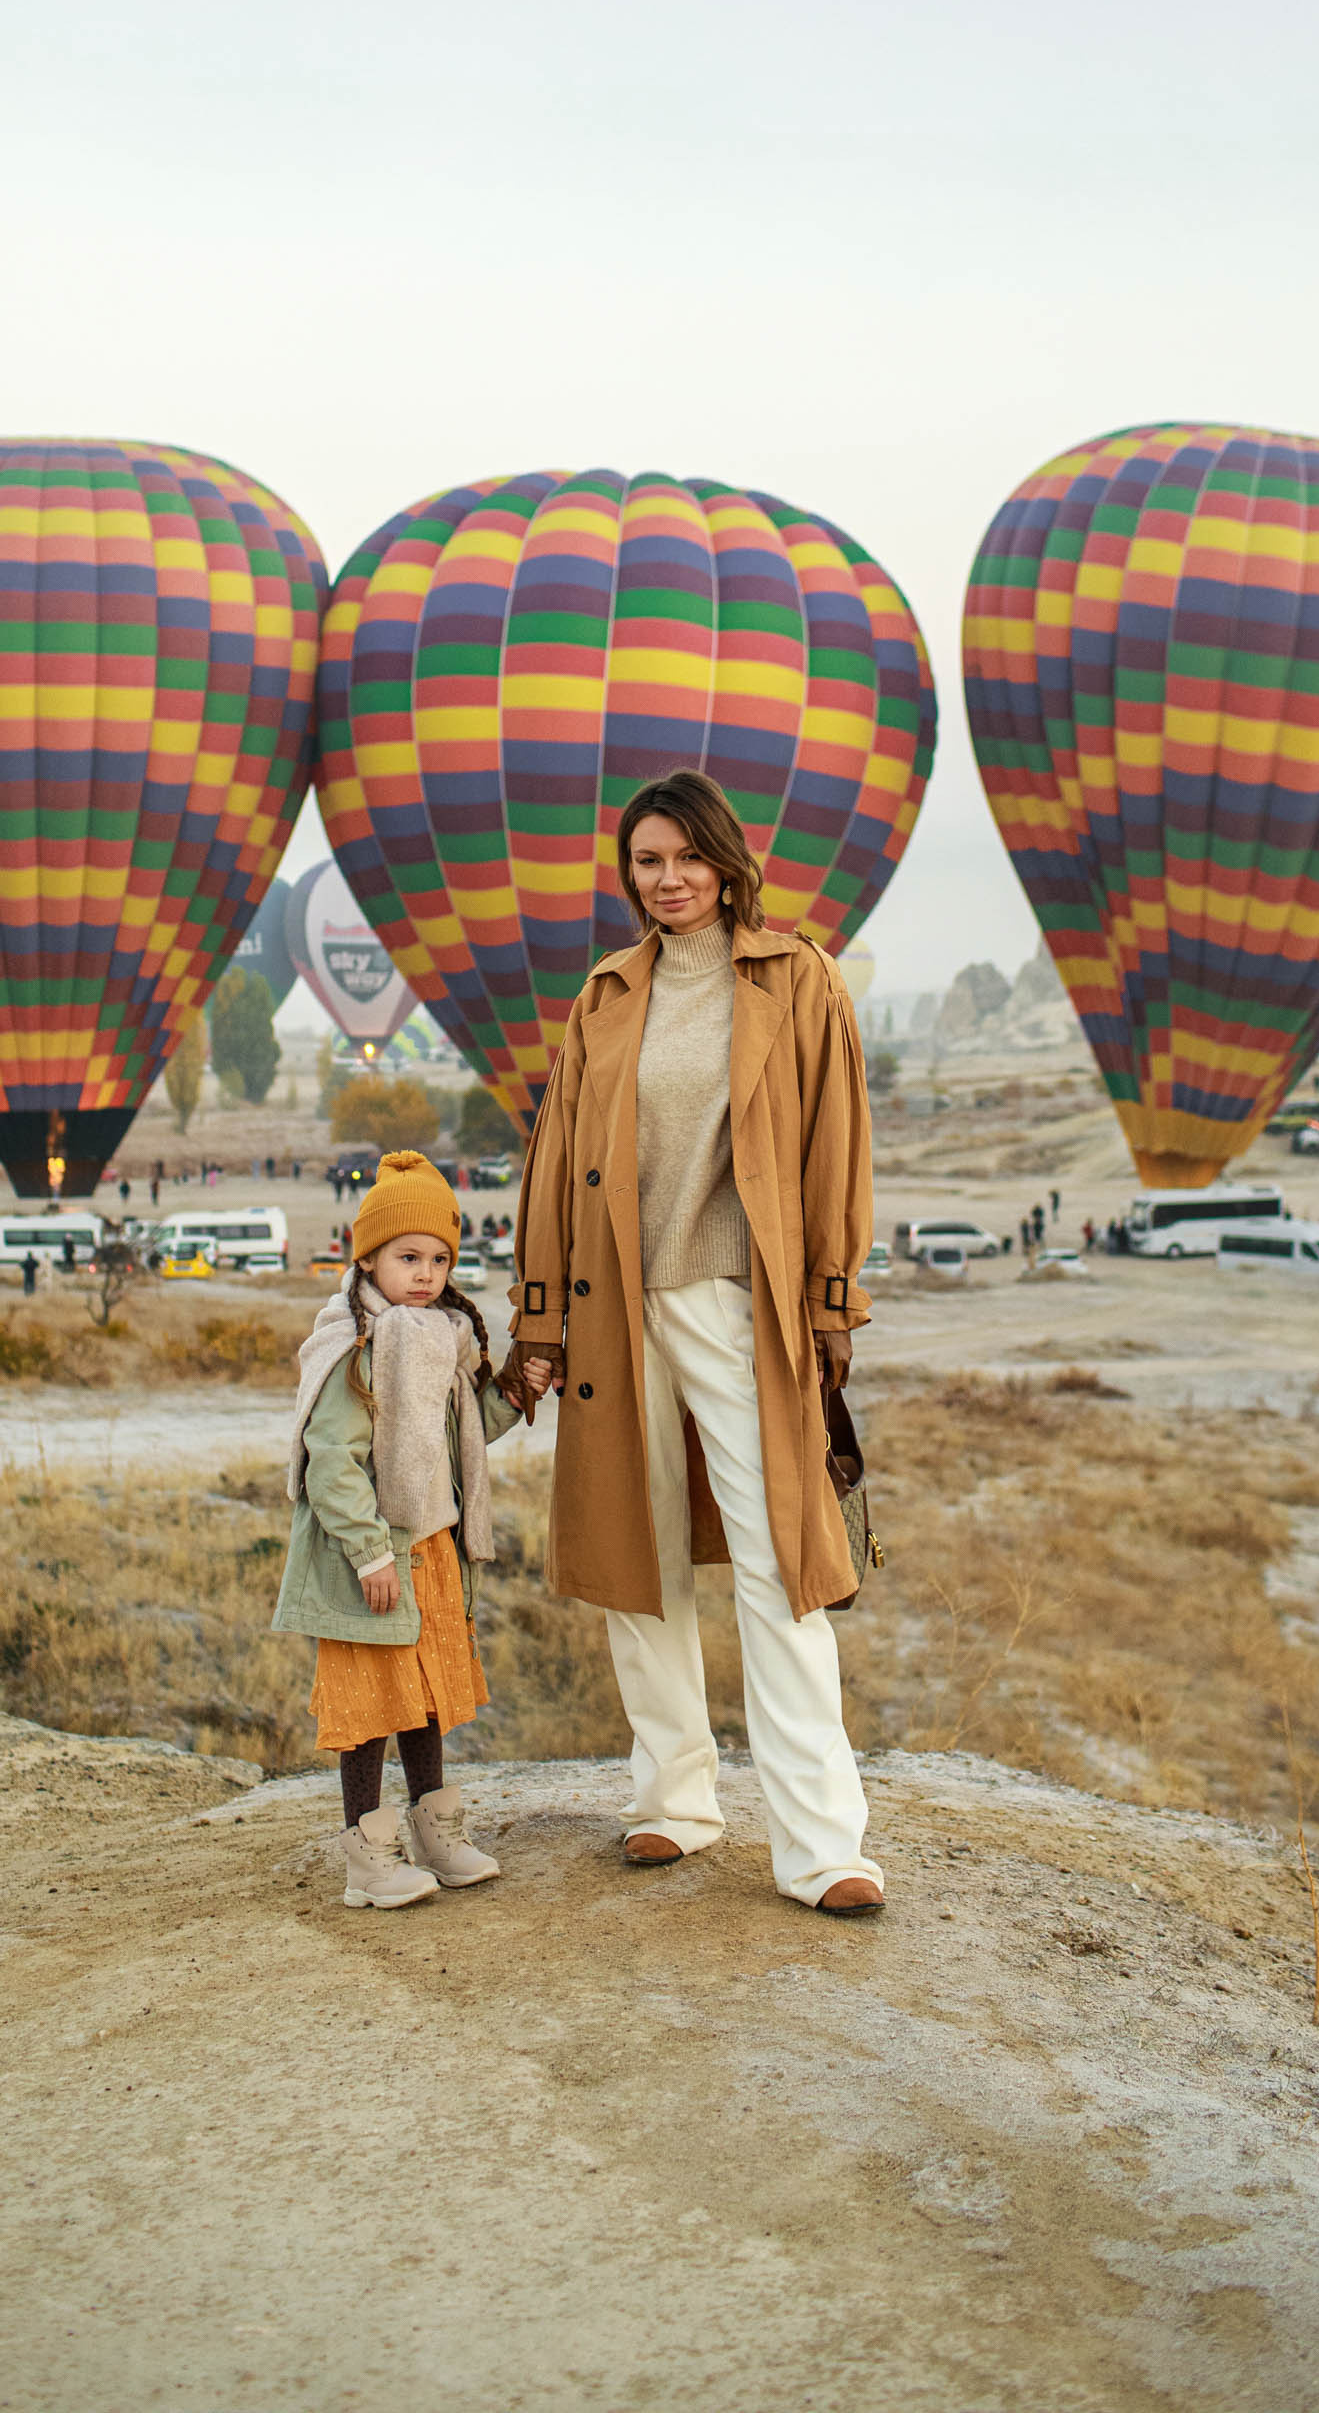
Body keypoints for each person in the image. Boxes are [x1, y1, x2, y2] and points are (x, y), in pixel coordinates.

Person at [509, 766, 884, 1918]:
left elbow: (835, 1143)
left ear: (726, 862)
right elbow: (554, 1160)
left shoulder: (795, 979)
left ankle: (821, 1847)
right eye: (646, 862)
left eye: (686, 858)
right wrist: (538, 1316)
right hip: (614, 1307)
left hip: (737, 1305)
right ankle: (673, 1801)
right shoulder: (606, 995)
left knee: (781, 1569)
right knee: (641, 1560)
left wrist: (830, 1301)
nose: (667, 880)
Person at [273, 1150, 528, 1911]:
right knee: (368, 1709)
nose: (425, 1273)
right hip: (371, 1561)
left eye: (439, 1259)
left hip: (432, 1552)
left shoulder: (443, 1338)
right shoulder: (355, 1346)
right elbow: (331, 1463)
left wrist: (515, 1392)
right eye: (407, 1257)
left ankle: (435, 1833)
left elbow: (460, 1440)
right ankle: (368, 1857)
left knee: (425, 1699)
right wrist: (370, 1554)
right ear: (368, 1258)